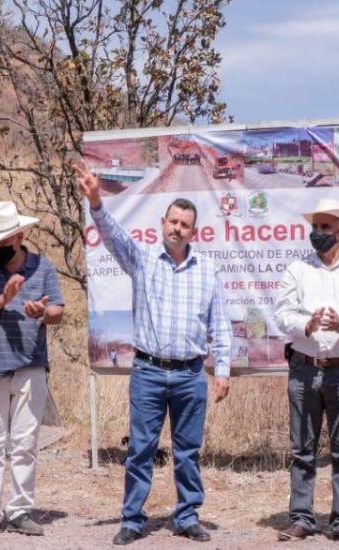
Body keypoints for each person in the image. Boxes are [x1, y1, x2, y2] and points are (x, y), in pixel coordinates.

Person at [75, 162, 232, 546]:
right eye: (173, 222)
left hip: (190, 376)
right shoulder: (143, 260)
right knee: (141, 449)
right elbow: (112, 236)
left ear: (195, 231)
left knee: (188, 452)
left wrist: (222, 369)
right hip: (147, 372)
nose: (178, 229)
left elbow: (220, 325)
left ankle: (187, 515)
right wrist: (95, 200)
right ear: (163, 223)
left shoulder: (207, 271)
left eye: (185, 224)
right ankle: (131, 519)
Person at [272, 198, 339, 545]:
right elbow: (281, 313)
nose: (317, 233)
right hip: (304, 370)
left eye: (324, 227)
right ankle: (302, 517)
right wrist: (306, 323)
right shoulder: (297, 269)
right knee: (302, 449)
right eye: (314, 227)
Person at [0, 201, 66, 539]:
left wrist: (41, 313)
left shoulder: (44, 268)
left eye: (3, 241)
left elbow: (59, 311)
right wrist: (3, 299)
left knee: (24, 442)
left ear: (19, 237)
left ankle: (20, 510)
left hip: (30, 364)